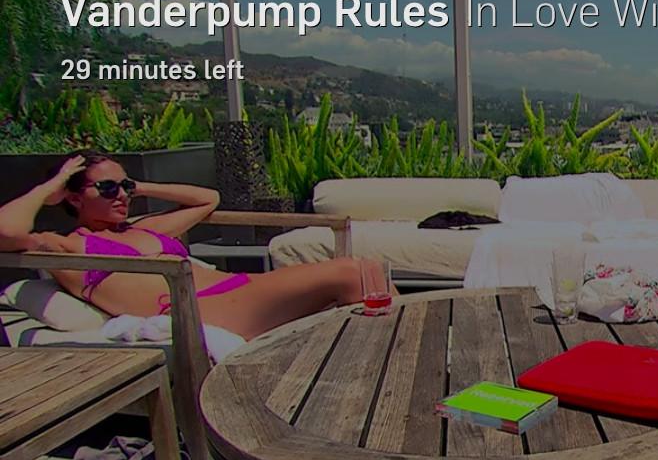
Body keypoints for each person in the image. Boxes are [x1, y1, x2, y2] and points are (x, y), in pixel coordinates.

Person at [0, 150, 394, 340]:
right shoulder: (69, 248)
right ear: (72, 197)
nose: (121, 195)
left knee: (370, 270)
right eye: (107, 188)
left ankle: (402, 366)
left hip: (240, 288)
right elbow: (5, 232)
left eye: (125, 186)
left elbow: (207, 199)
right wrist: (48, 187)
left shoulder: (145, 228)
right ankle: (409, 370)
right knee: (352, 273)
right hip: (202, 311)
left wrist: (141, 187)